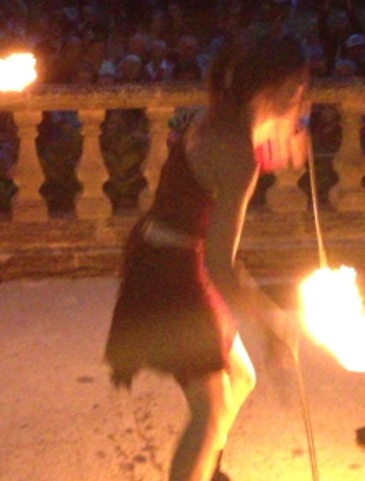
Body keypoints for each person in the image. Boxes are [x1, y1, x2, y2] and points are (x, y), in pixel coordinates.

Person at [104, 32, 307, 481]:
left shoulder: (223, 119)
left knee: (242, 379)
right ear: (285, 90)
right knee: (210, 409)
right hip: (175, 273)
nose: (302, 101)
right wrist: (272, 319)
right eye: (299, 90)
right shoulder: (237, 149)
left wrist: (285, 141)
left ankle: (209, 469)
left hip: (163, 254)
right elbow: (220, 263)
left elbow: (225, 163)